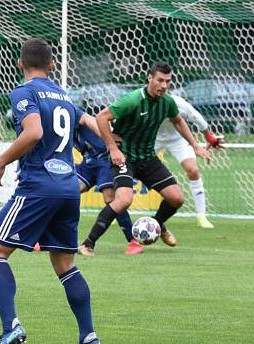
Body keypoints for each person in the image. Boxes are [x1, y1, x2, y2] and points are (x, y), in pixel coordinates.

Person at [0, 38, 102, 344]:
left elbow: (33, 133)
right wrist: (114, 145)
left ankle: (11, 327)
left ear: (21, 65)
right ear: (52, 66)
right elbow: (91, 123)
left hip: (39, 185)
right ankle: (88, 338)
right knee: (65, 264)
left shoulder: (25, 92)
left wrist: (0, 162)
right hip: (67, 188)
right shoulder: (63, 95)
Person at [89, 62, 211, 250]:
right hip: (125, 157)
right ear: (150, 78)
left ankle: (157, 224)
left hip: (147, 157)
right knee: (124, 200)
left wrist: (195, 145)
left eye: (167, 81)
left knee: (176, 198)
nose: (163, 85)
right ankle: (88, 244)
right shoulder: (133, 100)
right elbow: (101, 117)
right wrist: (113, 148)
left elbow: (178, 122)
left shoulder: (168, 102)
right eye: (160, 80)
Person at [155, 93, 224, 229]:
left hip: (177, 139)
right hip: (152, 138)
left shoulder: (180, 104)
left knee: (193, 170)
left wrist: (209, 138)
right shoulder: (144, 101)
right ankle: (118, 210)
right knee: (129, 168)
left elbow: (198, 118)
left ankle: (201, 216)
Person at [75, 122, 144, 256]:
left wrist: (108, 135)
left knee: (111, 198)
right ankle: (48, 237)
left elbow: (91, 120)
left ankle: (133, 241)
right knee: (66, 191)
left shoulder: (73, 114)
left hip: (105, 160)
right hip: (88, 163)